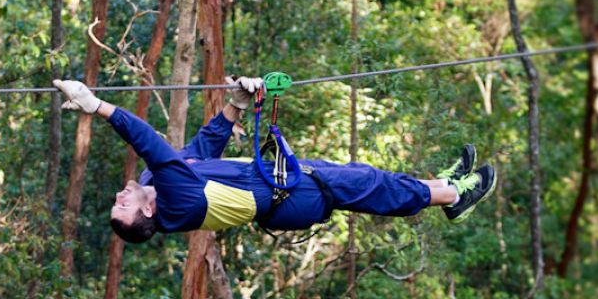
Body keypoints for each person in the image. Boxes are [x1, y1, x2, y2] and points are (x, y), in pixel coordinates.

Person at [53, 78, 497, 244]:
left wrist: (236, 105)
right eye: (122, 205)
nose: (119, 195)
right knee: (366, 183)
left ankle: (439, 187)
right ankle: (453, 195)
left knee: (365, 176)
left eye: (116, 202)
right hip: (291, 197)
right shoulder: (175, 201)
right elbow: (149, 141)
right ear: (148, 210)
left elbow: (202, 150)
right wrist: (100, 108)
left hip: (278, 181)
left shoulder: (155, 181)